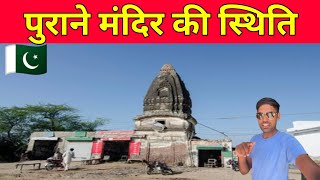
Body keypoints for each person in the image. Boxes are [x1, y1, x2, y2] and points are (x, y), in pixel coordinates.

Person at [236, 97, 320, 180]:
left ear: (278, 116)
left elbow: (313, 172)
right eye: (260, 115)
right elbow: (244, 171)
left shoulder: (287, 141)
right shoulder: (255, 140)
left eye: (270, 114)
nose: (264, 119)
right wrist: (241, 155)